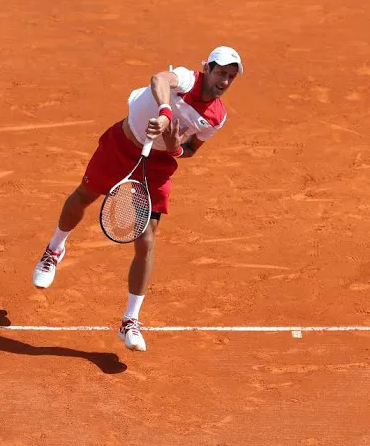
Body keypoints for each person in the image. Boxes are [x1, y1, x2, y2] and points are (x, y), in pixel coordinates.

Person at [32, 46, 243, 352]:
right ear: (207, 68)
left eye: (231, 77)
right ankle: (54, 250)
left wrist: (174, 146)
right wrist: (166, 113)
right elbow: (159, 79)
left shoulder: (216, 117)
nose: (224, 81)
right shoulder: (186, 79)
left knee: (146, 240)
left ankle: (130, 321)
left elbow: (190, 150)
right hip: (121, 145)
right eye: (221, 72)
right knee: (84, 196)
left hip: (156, 167)